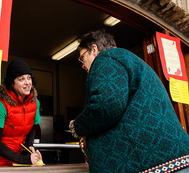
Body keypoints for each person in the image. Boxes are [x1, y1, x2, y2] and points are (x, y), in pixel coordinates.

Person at [69, 30, 189, 173]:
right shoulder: (130, 60)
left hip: (150, 163)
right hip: (172, 158)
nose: (83, 65)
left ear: (94, 49)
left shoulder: (105, 58)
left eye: (83, 58)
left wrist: (77, 126)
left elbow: (107, 104)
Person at [0, 59, 42, 166]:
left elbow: (33, 127)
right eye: (21, 79)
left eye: (29, 78)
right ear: (11, 83)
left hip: (12, 158)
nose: (27, 83)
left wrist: (30, 147)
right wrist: (22, 159)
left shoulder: (34, 102)